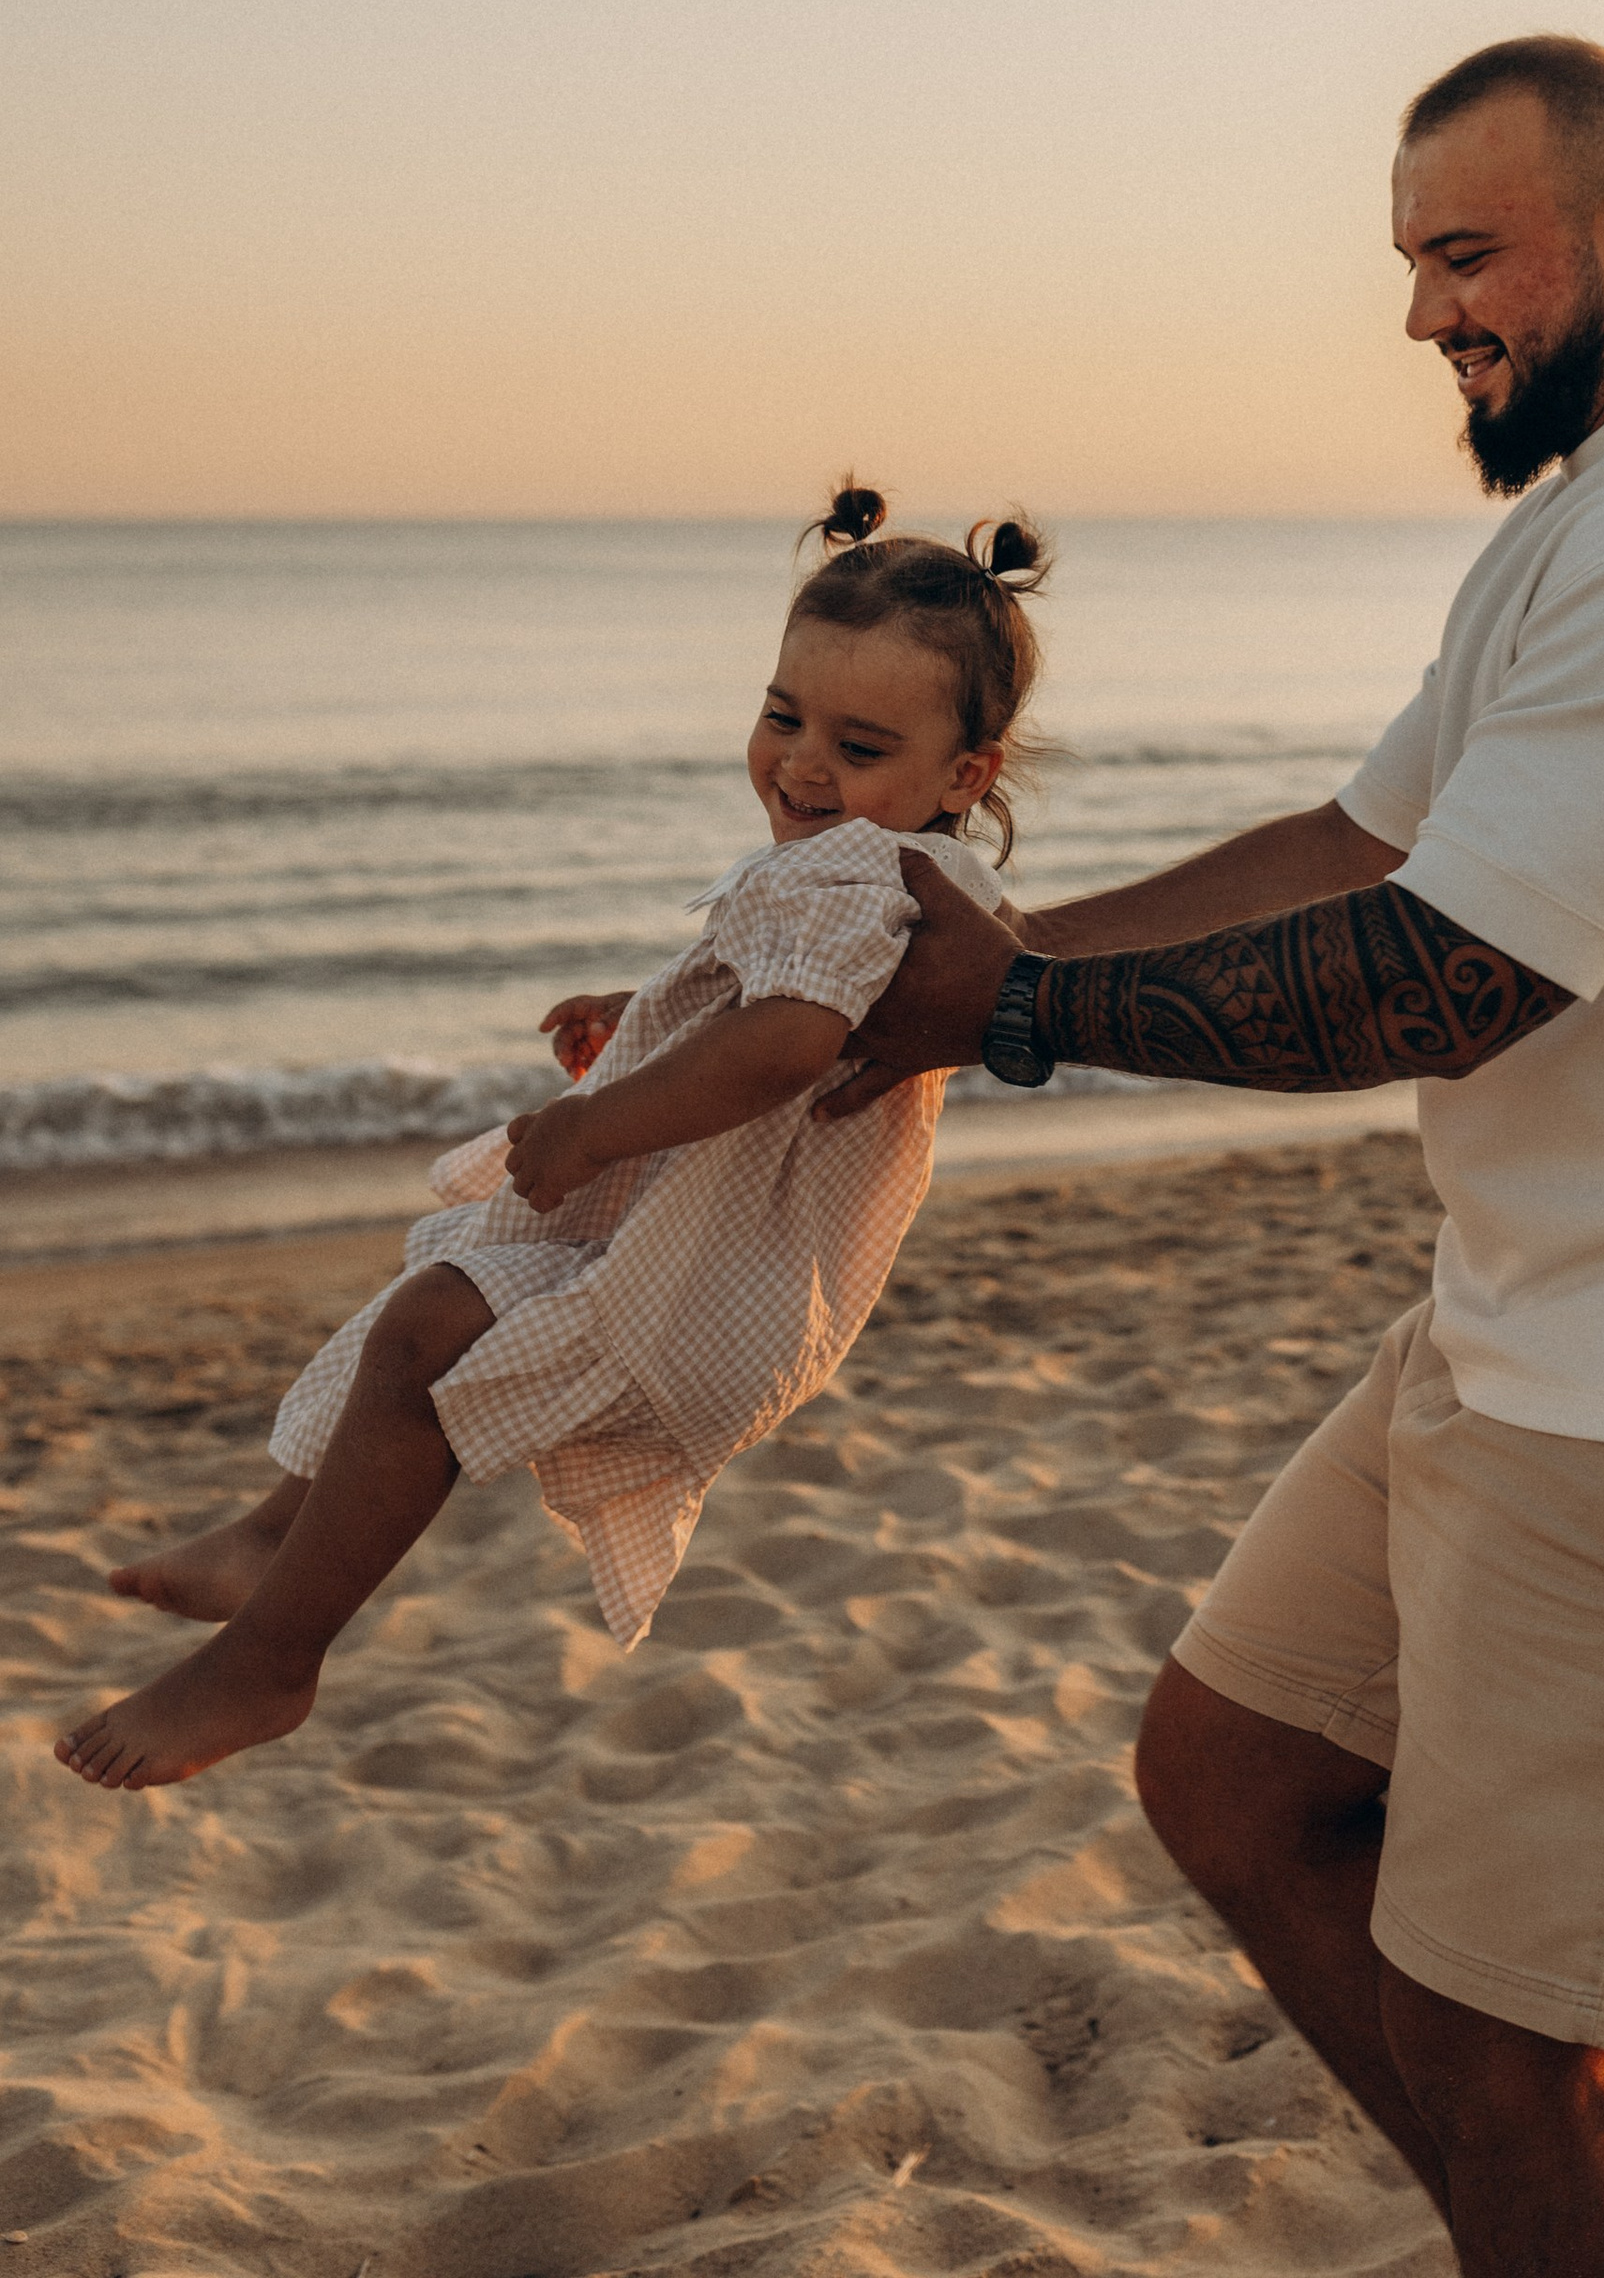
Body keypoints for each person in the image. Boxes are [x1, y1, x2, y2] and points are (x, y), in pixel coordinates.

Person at [832, 35, 1604, 2278]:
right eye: (1409, 261)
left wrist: (1031, 1019)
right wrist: (984, 957)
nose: (1421, 315)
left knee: (1500, 2030)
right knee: (1235, 1779)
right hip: (1523, 1329)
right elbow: (1359, 837)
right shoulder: (1599, 505)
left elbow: (1446, 976)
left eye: (1468, 255)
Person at [54, 489, 1043, 1795]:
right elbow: (781, 1009)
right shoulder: (891, 879)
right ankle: (272, 1552)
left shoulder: (852, 876)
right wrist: (642, 1015)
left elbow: (791, 1044)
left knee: (425, 1332)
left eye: (858, 746)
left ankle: (271, 1656)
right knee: (421, 1322)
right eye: (781, 717)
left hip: (701, 1283)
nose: (803, 766)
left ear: (964, 776)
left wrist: (595, 1123)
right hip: (702, 1262)